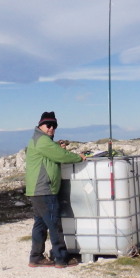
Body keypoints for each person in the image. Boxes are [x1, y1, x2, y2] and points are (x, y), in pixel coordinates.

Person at [25, 111, 85, 268]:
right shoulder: (42, 141)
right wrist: (79, 158)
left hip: (36, 190)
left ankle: (35, 257)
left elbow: (52, 153)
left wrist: (57, 146)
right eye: (49, 125)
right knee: (54, 224)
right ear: (40, 125)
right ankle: (61, 258)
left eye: (54, 126)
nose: (52, 128)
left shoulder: (40, 140)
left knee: (40, 224)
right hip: (45, 189)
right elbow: (62, 156)